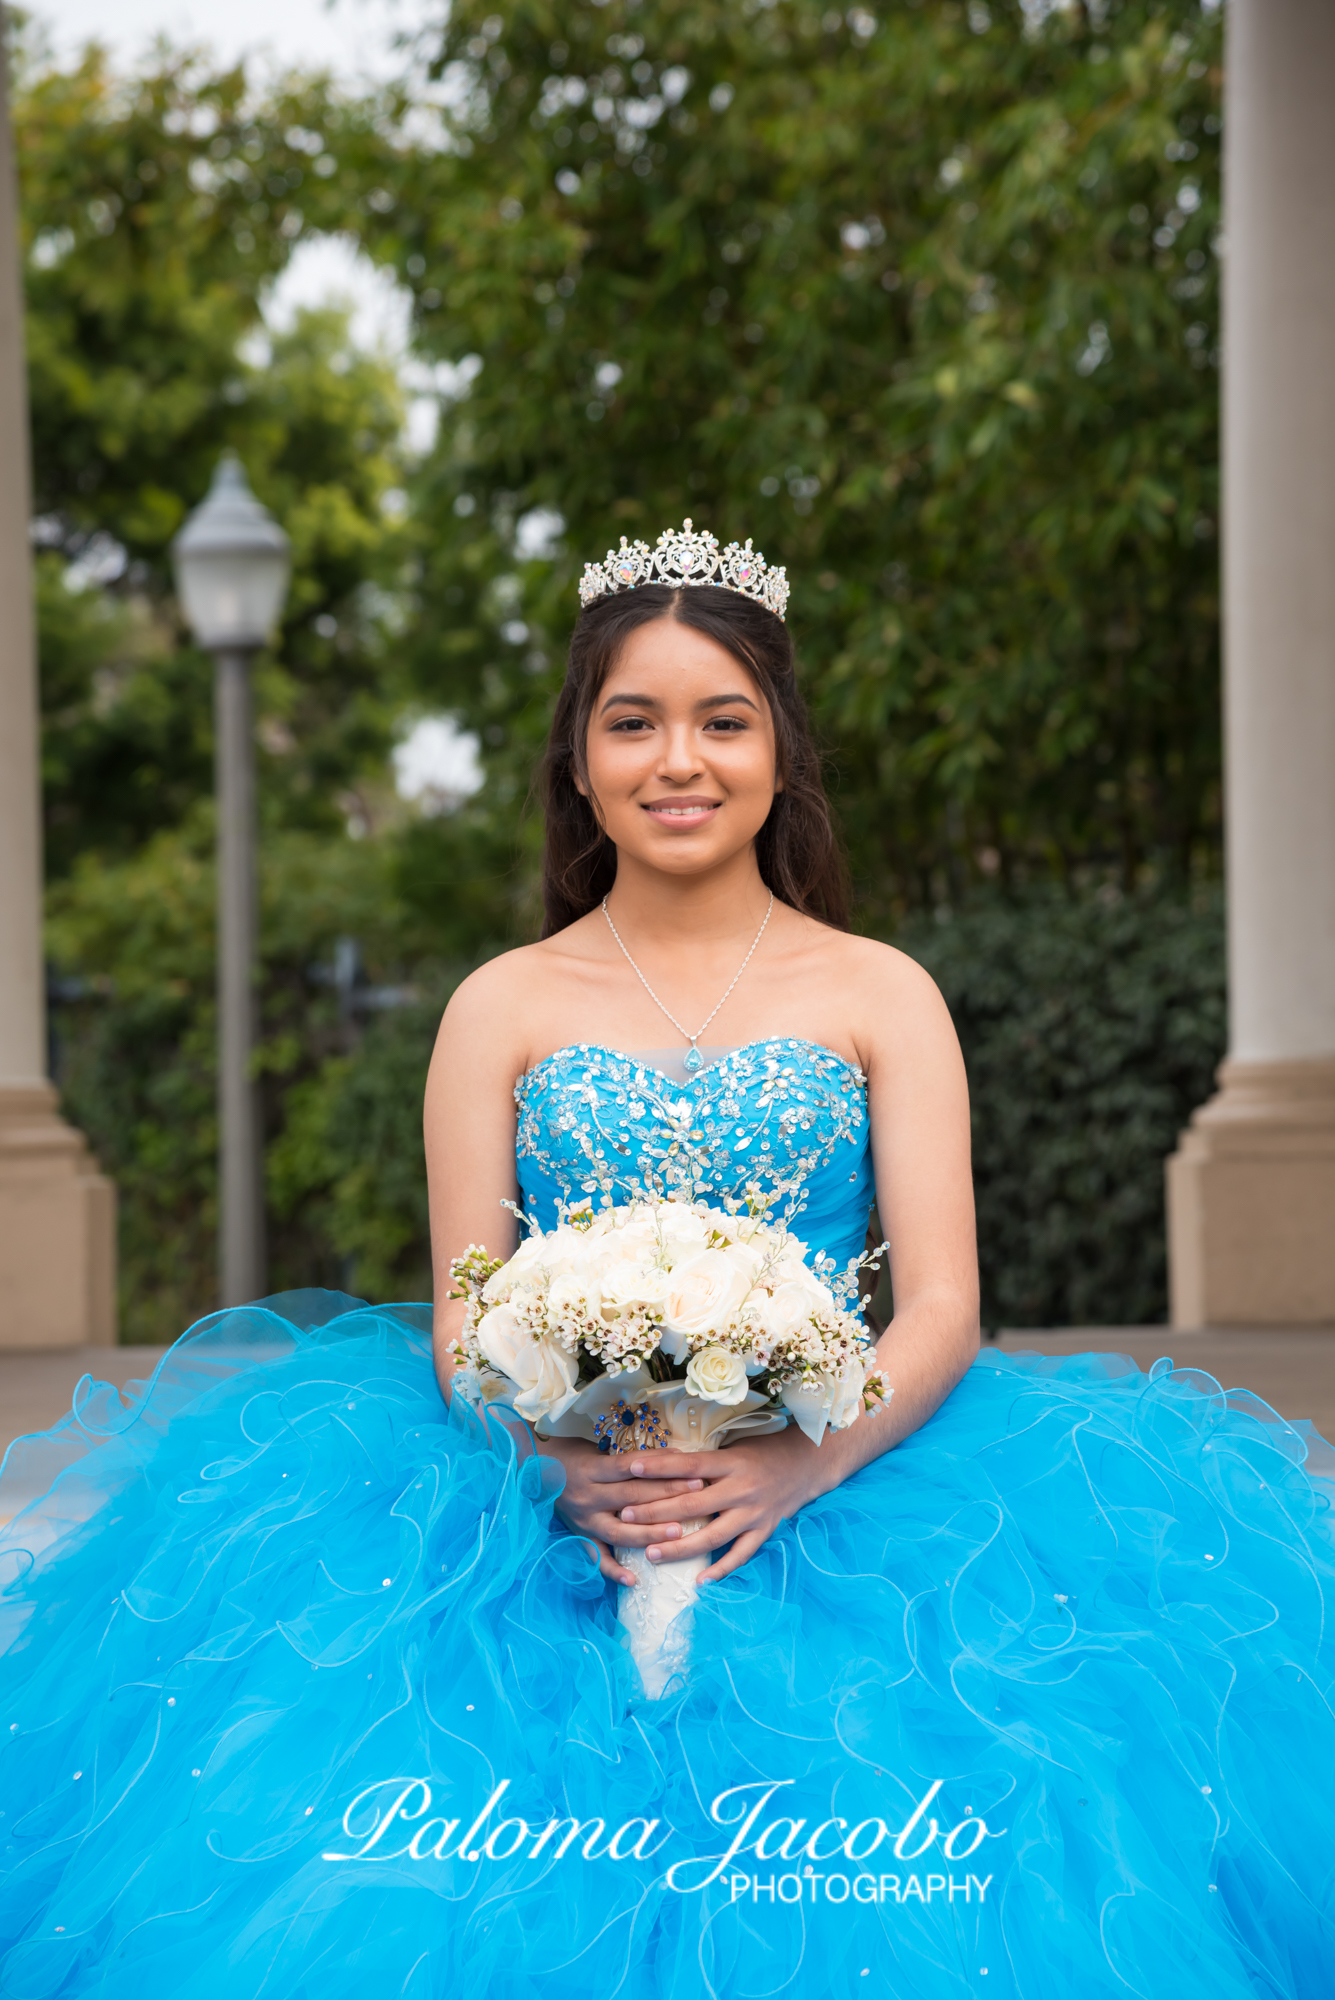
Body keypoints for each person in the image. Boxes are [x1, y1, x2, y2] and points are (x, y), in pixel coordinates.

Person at [1, 523, 1332, 2000]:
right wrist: (547, 1466)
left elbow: (944, 1300)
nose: (676, 760)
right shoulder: (498, 1006)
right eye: (632, 721)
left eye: (722, 719)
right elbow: (463, 1311)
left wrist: (795, 1470)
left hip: (845, 1483)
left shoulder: (882, 992)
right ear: (579, 758)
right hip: (534, 1505)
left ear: (780, 749)